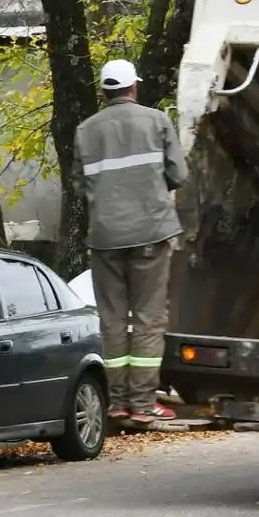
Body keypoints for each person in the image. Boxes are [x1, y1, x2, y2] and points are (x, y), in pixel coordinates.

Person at [74, 59, 187, 425]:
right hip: (150, 234)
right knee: (148, 319)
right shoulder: (157, 121)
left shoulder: (85, 131)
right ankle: (142, 404)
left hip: (104, 238)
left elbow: (79, 186)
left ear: (105, 91)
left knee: (111, 320)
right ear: (133, 88)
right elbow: (178, 175)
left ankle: (118, 402)